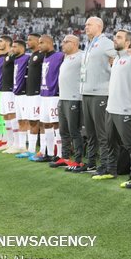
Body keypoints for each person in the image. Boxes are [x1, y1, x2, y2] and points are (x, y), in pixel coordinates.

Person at [102, 29, 131, 183]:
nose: (115, 39)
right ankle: (111, 171)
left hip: (125, 109)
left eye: (119, 37)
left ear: (127, 42)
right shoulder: (117, 59)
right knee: (111, 143)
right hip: (110, 109)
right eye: (115, 36)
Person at [80, 17, 116, 175]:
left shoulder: (105, 42)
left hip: (100, 92)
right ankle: (91, 162)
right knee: (90, 132)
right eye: (86, 24)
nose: (86, 26)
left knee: (102, 132)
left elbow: (120, 55)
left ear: (99, 26)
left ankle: (106, 165)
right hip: (86, 92)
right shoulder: (89, 43)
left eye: (89, 24)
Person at [54, 35, 84, 170]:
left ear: (75, 43)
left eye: (66, 42)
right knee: (63, 130)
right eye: (63, 41)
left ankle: (78, 160)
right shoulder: (65, 57)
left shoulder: (82, 56)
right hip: (63, 98)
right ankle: (65, 157)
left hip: (74, 98)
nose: (62, 44)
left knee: (74, 131)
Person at [33, 35, 64, 163]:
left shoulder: (60, 56)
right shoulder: (45, 57)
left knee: (56, 124)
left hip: (54, 95)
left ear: (49, 43)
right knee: (45, 124)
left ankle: (60, 154)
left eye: (41, 43)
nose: (39, 45)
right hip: (44, 94)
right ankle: (50, 153)